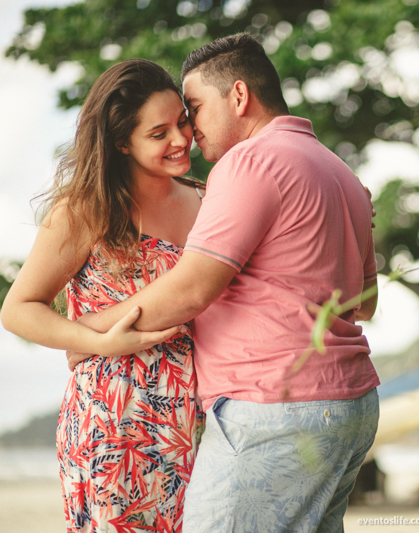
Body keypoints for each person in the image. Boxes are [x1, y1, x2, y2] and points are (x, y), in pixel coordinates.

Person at [73, 33, 381, 532]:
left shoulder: (249, 161)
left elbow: (194, 287)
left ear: (238, 97)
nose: (189, 130)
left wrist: (91, 331)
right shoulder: (339, 169)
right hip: (350, 406)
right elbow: (364, 304)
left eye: (193, 107)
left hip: (275, 411)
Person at [0, 59, 204, 532]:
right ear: (120, 142)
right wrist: (101, 342)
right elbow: (17, 309)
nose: (180, 140)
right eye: (159, 134)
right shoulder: (86, 210)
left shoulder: (209, 200)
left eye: (183, 122)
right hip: (113, 421)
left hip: (197, 419)